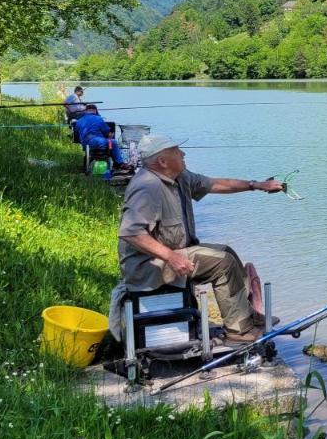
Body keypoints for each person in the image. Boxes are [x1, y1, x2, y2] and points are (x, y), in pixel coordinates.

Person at [117, 134, 284, 343]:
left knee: (226, 251)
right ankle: (239, 331)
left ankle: (246, 316)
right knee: (223, 262)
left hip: (173, 254)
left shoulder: (180, 177)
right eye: (177, 151)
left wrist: (257, 185)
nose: (183, 153)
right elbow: (131, 232)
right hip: (148, 266)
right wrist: (171, 257)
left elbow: (215, 184)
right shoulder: (147, 186)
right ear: (162, 161)